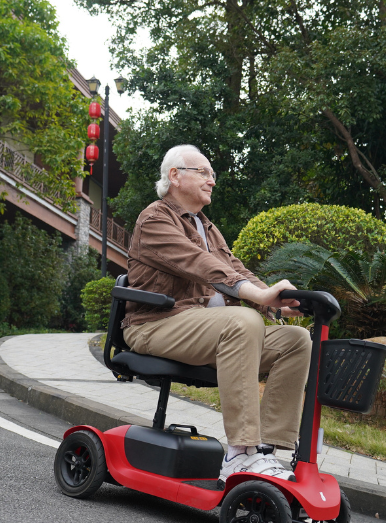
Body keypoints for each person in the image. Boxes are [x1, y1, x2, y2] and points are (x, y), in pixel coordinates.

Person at [122, 144, 311, 483]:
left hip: (208, 331)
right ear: (175, 176)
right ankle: (240, 453)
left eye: (213, 175)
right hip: (156, 324)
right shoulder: (155, 218)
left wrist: (276, 300)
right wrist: (257, 298)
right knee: (243, 321)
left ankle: (266, 451)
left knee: (297, 340)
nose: (212, 181)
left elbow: (237, 269)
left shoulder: (208, 227)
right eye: (204, 173)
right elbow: (200, 264)